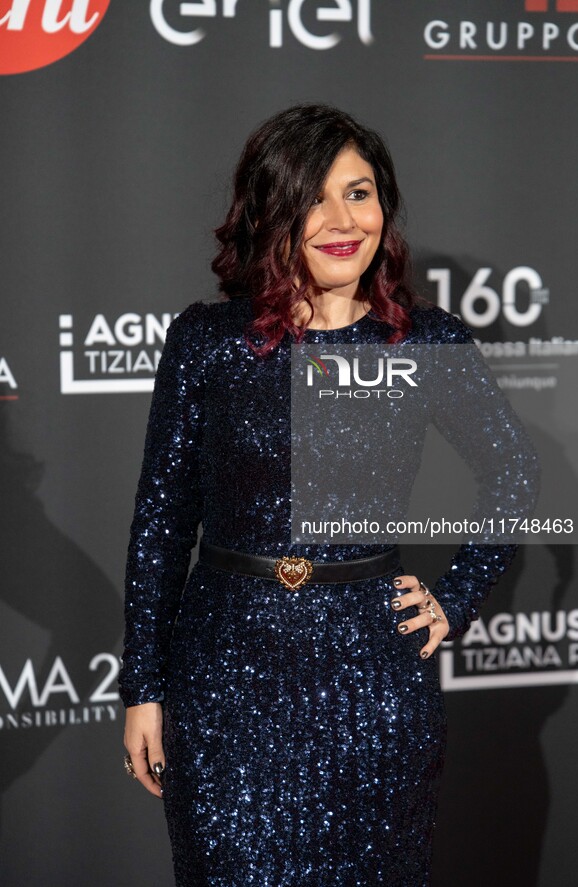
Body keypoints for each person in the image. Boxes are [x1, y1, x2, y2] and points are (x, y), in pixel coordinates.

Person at [119, 104, 538, 885]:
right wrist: (142, 686)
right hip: (225, 687)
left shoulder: (424, 340)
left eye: (359, 192)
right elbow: (162, 521)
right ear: (271, 210)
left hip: (372, 688)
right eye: (313, 196)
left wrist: (456, 594)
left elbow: (514, 472)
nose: (341, 219)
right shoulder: (209, 341)